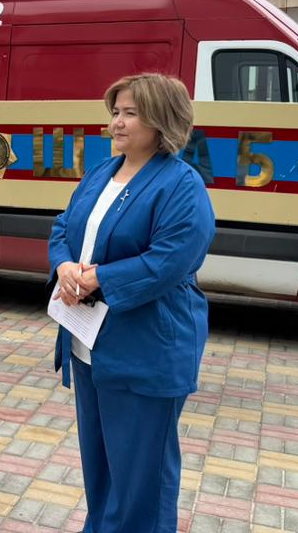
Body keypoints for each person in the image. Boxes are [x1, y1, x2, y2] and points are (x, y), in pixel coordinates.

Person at [47, 73, 215, 533]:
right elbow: (64, 227)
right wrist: (64, 267)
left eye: (130, 113)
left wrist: (96, 278)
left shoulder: (181, 185)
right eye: (115, 112)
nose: (117, 123)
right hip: (88, 345)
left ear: (162, 119)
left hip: (146, 349)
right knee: (101, 469)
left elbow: (170, 260)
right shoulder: (103, 172)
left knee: (143, 480)